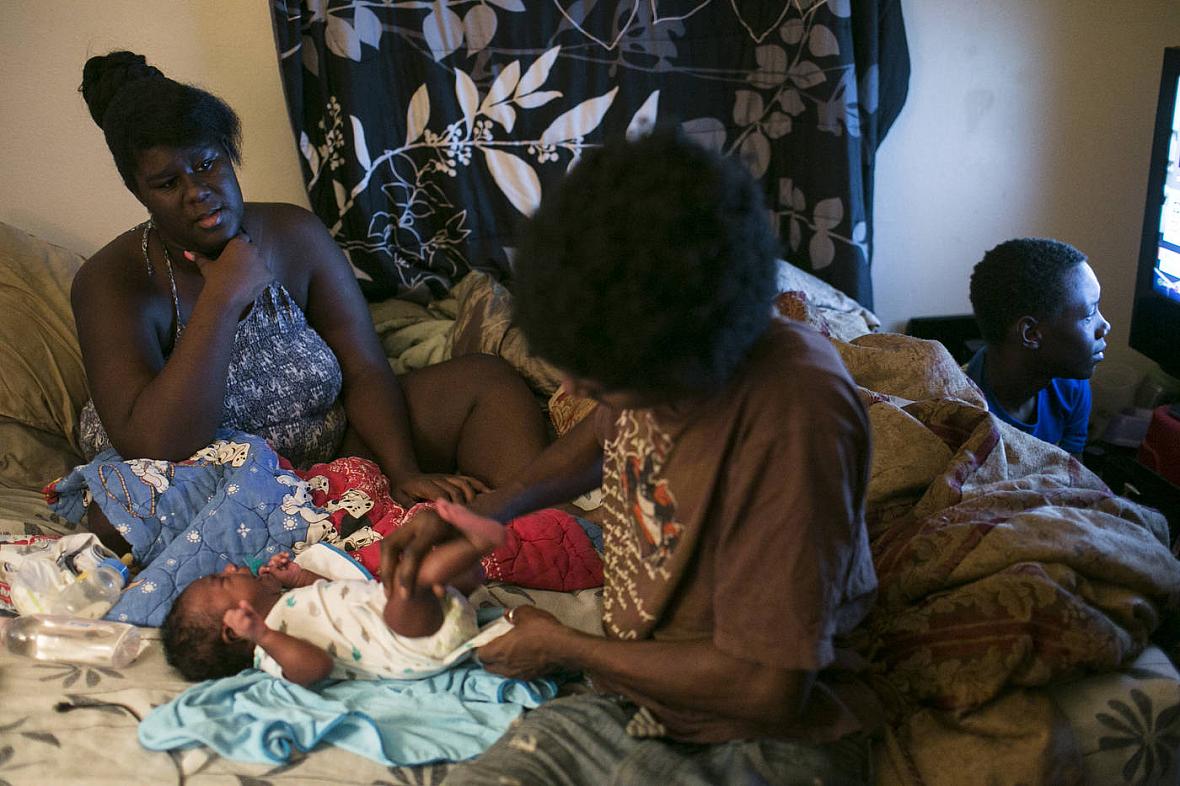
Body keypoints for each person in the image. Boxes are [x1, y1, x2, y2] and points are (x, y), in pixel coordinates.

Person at [381, 130, 879, 785]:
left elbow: (768, 689)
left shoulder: (794, 418)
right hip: (643, 701)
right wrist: (487, 509)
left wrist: (562, 646)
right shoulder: (662, 359)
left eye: (599, 384)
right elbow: (603, 433)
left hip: (760, 742)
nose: (572, 395)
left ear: (688, 364)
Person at [74, 52, 548, 554]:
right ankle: (314, 532)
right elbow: (157, 446)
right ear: (137, 191)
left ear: (228, 154)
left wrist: (404, 471)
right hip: (204, 482)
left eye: (207, 163)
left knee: (484, 382)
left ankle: (537, 535)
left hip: (328, 451)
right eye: (168, 184)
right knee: (115, 520)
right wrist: (223, 298)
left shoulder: (292, 232)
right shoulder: (111, 280)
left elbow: (365, 367)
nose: (197, 192)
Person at [162, 503, 498, 684]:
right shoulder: (273, 655)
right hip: (407, 643)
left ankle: (468, 566)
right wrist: (263, 635)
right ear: (234, 631)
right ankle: (481, 541)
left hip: (413, 614)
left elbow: (334, 592)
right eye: (221, 582)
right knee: (415, 579)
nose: (231, 569)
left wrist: (297, 577)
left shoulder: (285, 603)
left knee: (450, 578)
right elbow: (317, 667)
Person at [966, 238, 1111, 455]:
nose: (1105, 326)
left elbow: (1070, 476)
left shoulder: (1070, 386)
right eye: (1089, 314)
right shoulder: (964, 416)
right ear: (1031, 334)